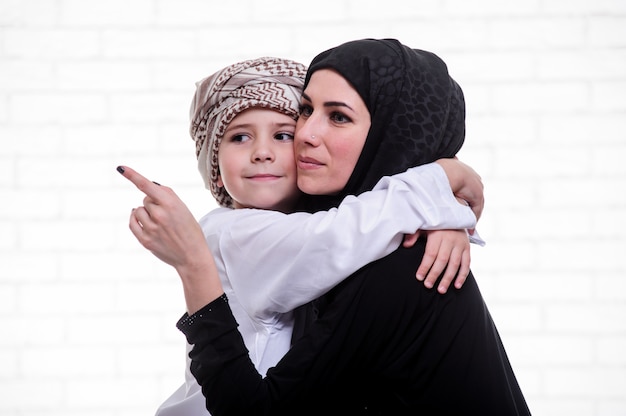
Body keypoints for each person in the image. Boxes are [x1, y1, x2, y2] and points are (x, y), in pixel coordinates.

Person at [164, 38, 531, 414]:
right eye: (306, 110)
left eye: (338, 116)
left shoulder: (400, 264)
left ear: (391, 134)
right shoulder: (334, 237)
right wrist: (442, 187)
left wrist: (441, 193)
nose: (305, 133)